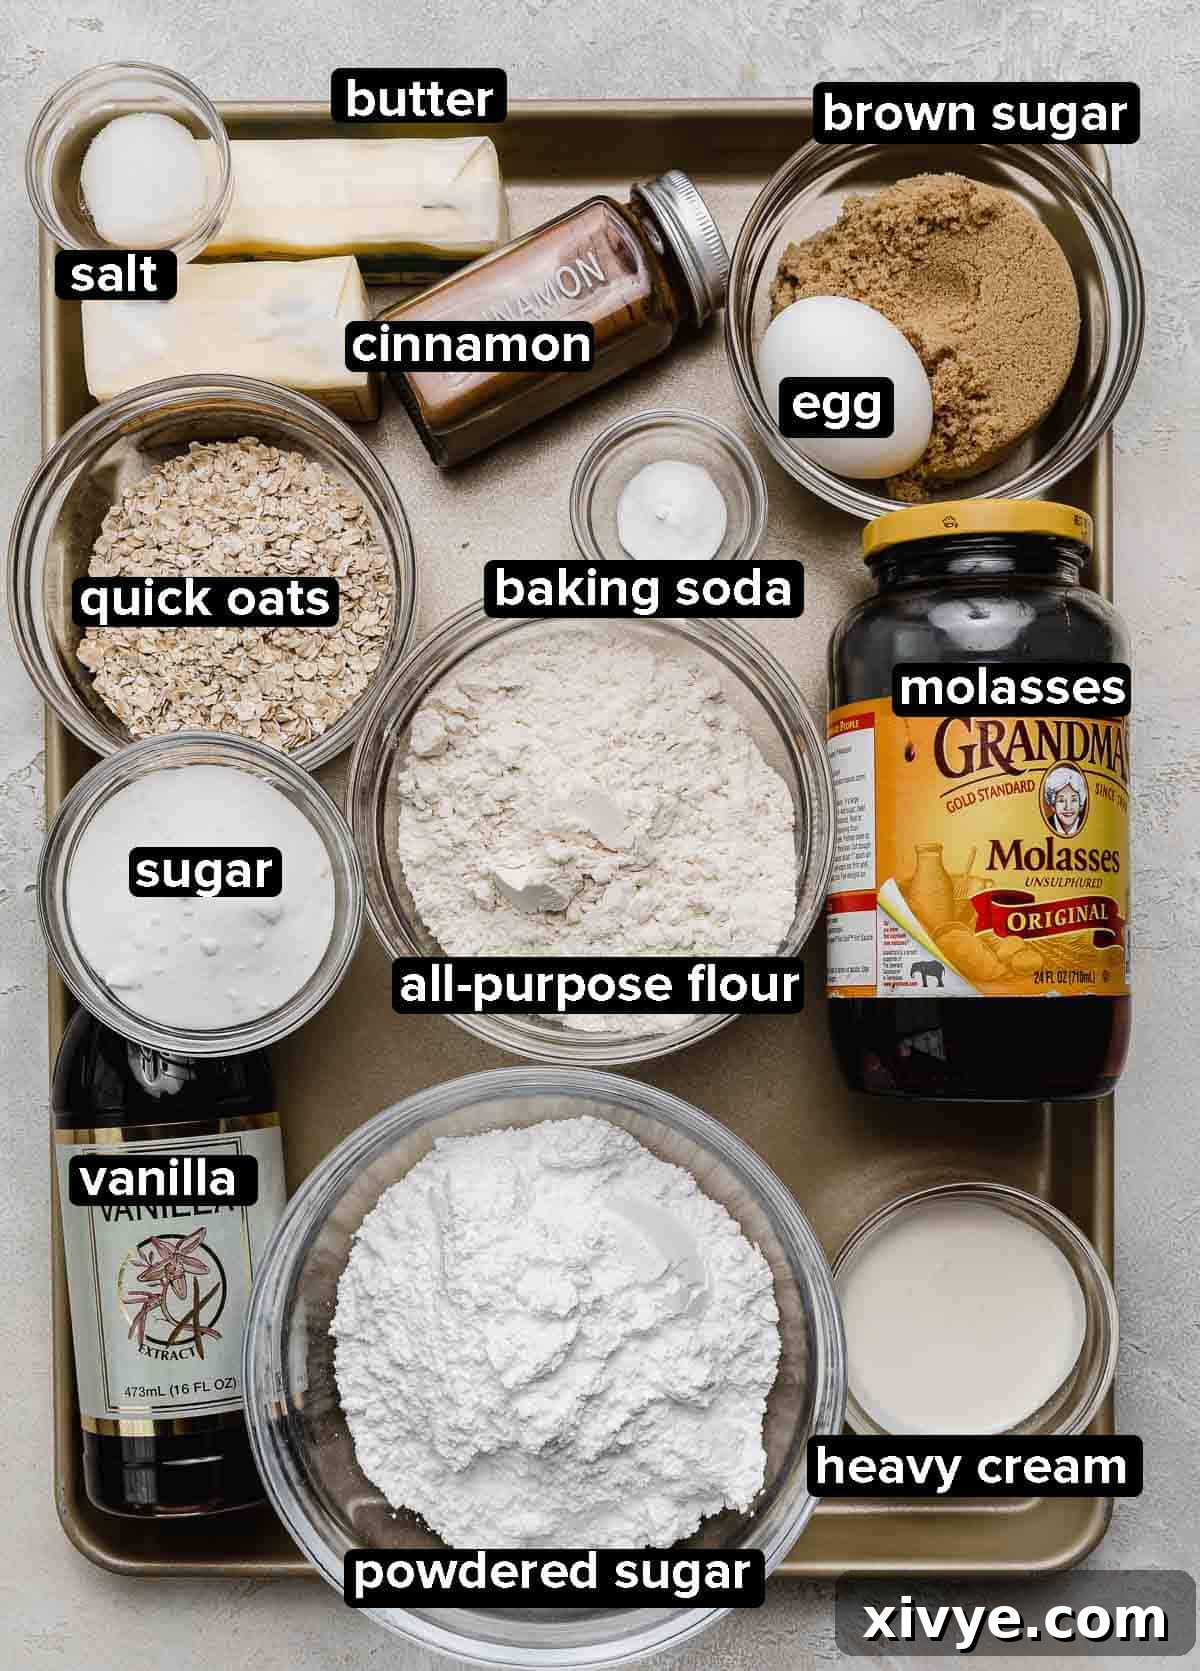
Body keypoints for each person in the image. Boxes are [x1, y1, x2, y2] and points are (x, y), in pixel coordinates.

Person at [1042, 764, 1088, 836]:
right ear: (1053, 806)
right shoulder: (1043, 827)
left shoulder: (1090, 827)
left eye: (1073, 800)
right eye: (1061, 800)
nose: (1068, 807)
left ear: (1081, 804)